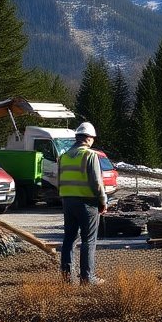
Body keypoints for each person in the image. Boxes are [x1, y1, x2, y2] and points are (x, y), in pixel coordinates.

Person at [59, 121, 109, 285]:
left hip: (68, 202)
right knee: (89, 240)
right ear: (88, 139)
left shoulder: (64, 157)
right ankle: (88, 278)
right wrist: (103, 201)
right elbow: (96, 182)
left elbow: (60, 181)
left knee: (69, 239)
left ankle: (67, 278)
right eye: (93, 138)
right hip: (87, 203)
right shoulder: (90, 155)